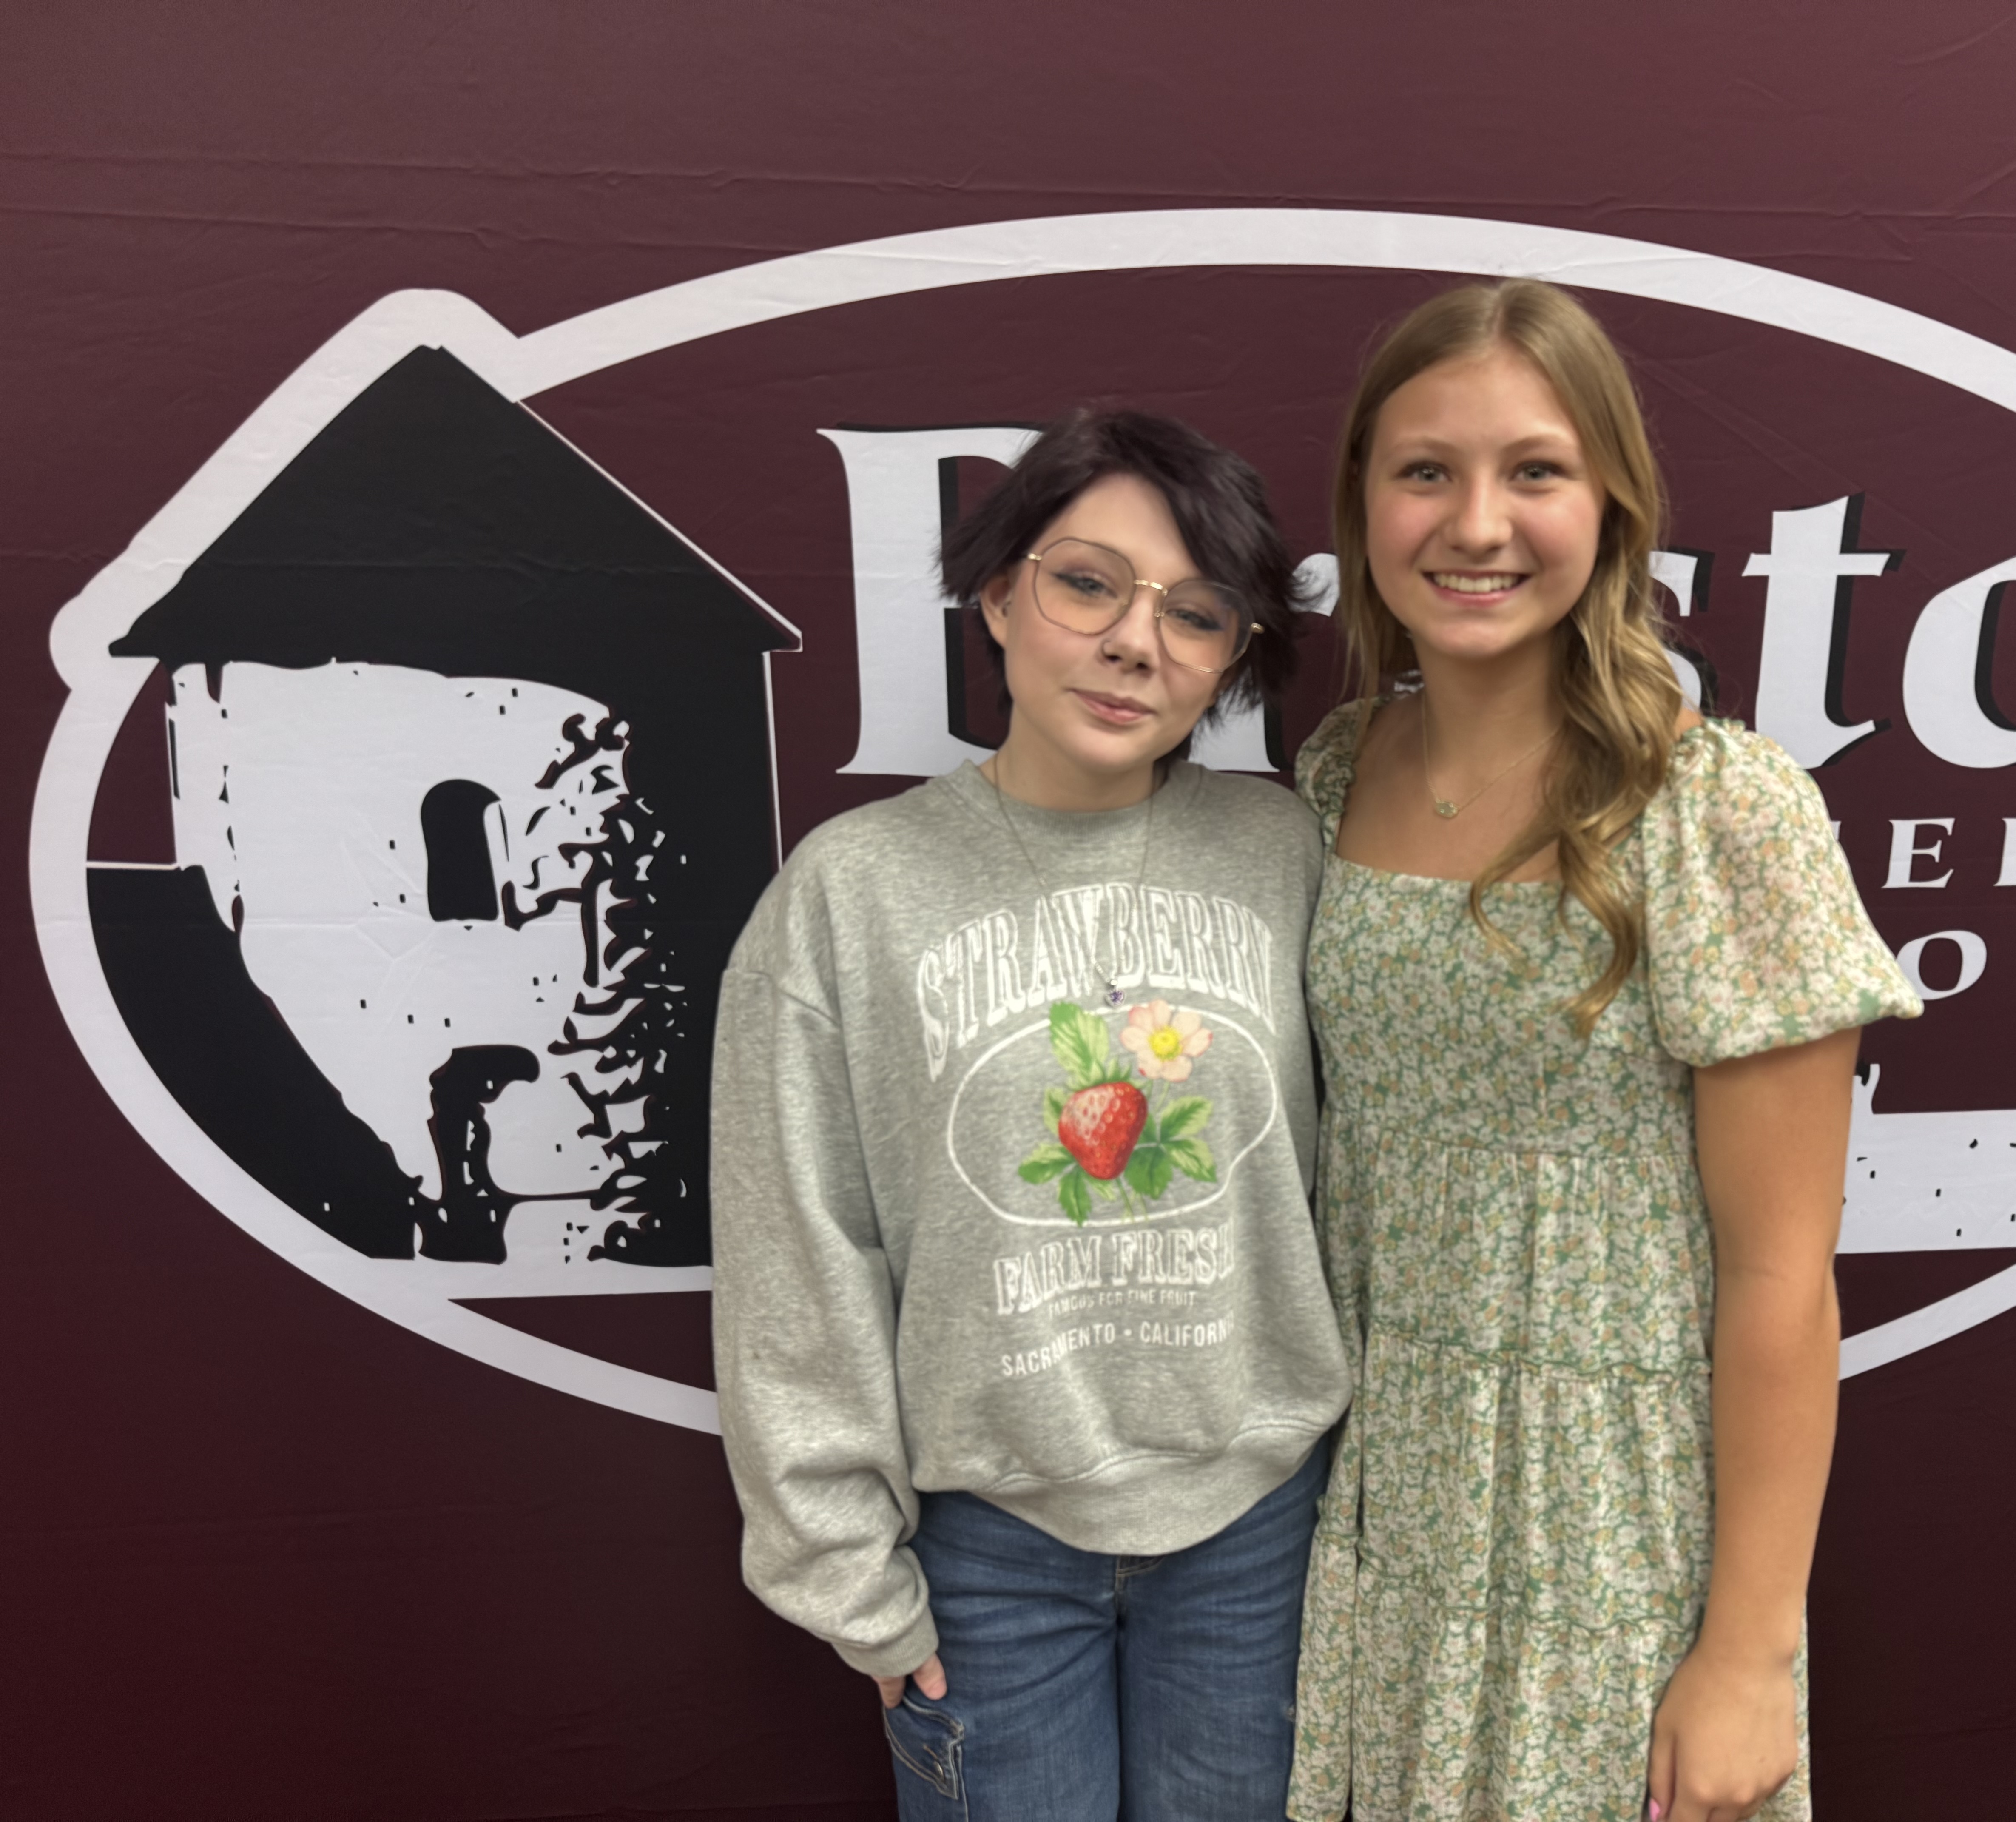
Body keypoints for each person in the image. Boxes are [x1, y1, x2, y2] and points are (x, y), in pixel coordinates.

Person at [1285, 281, 1922, 1822]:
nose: (1477, 522)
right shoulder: (1330, 767)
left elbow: (1784, 1275)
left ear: (1615, 504)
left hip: (1603, 1528)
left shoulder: (1723, 811)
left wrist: (1750, 1654)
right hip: (1365, 1505)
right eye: (1426, 469)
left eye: (1536, 471)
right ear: (1365, 499)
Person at [708, 409, 1351, 1821]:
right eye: (1088, 583)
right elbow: (794, 1250)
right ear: (998, 591)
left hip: (1256, 1530)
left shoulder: (1288, 854)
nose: (1139, 643)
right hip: (986, 1551)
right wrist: (850, 1578)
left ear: (1237, 656)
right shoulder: (851, 890)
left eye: (1198, 613)